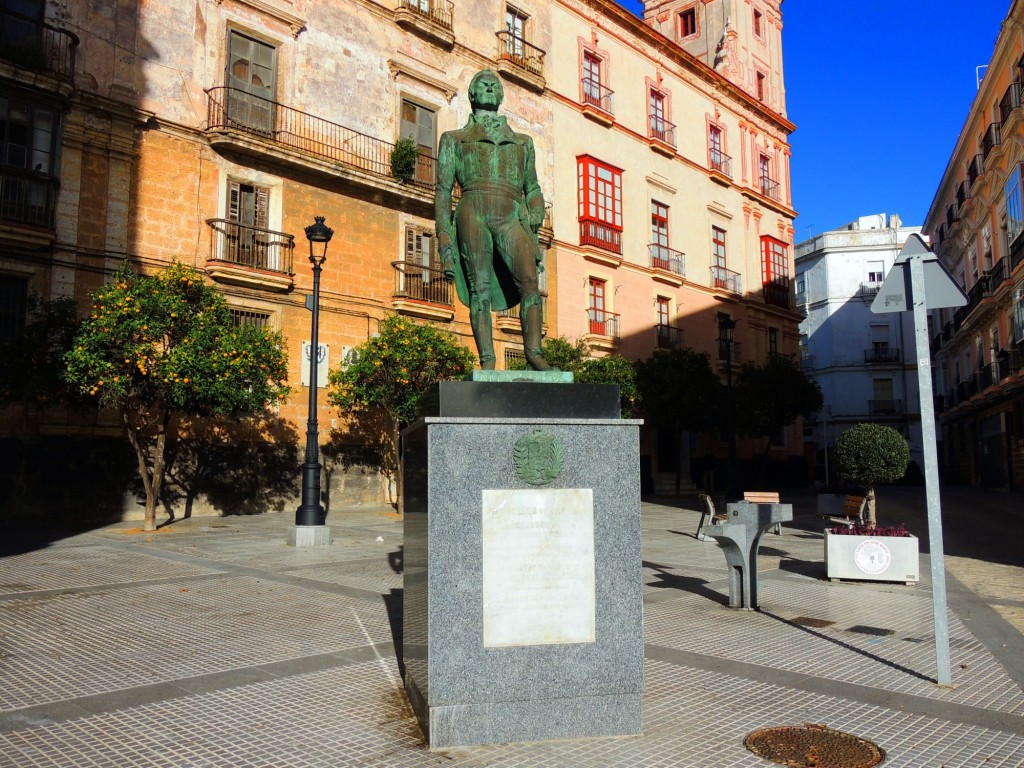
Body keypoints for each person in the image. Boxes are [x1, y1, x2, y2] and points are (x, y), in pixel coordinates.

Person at [434, 69, 551, 370]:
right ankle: (487, 360)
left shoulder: (523, 143)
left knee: (529, 282)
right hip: (472, 210)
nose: (488, 86)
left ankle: (534, 354)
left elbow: (533, 187)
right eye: (481, 85)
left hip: (512, 213)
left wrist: (537, 210)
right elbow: (443, 192)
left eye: (493, 85)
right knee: (479, 288)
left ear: (500, 96)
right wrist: (444, 239)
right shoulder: (454, 140)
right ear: (471, 95)